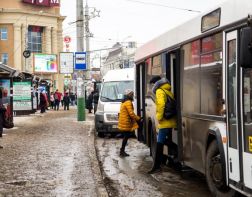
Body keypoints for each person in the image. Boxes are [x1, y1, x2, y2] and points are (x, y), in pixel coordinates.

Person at [148, 76, 177, 174]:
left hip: (164, 122)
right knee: (165, 141)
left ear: (156, 83)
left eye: (152, 84)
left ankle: (156, 166)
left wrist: (159, 118)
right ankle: (176, 154)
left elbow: (161, 105)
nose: (152, 86)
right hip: (170, 121)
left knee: (159, 143)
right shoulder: (168, 90)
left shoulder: (160, 91)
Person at [118, 89, 141, 157]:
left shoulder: (124, 101)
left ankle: (122, 150)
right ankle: (122, 151)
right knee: (126, 136)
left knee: (126, 136)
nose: (133, 96)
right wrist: (138, 118)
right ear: (129, 95)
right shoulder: (128, 102)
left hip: (123, 121)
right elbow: (131, 114)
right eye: (132, 94)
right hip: (126, 122)